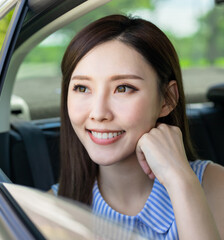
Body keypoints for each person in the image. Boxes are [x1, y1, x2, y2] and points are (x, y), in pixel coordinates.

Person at [51, 14, 224, 239]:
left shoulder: (215, 185)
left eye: (123, 88)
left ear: (167, 99)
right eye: (82, 88)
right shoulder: (50, 210)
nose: (99, 113)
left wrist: (180, 180)